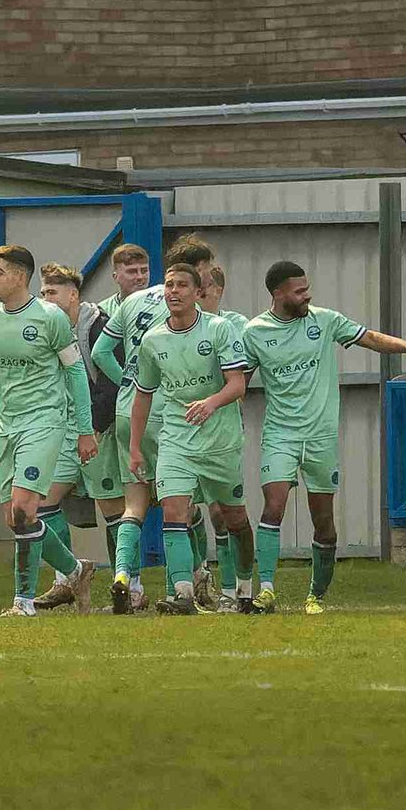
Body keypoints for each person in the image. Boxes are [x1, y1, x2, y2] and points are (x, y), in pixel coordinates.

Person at [241, 261, 406, 614]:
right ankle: (266, 590)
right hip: (280, 434)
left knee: (324, 524)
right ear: (278, 293)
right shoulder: (254, 332)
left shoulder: (325, 320)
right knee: (274, 506)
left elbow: (369, 337)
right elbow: (237, 380)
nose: (307, 295)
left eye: (307, 288)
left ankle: (315, 596)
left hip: (321, 437)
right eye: (299, 291)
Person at [0, 245, 98, 617]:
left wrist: (84, 430)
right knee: (16, 519)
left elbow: (76, 373)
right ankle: (75, 571)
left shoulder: (50, 317)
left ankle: (23, 601)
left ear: (20, 276)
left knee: (24, 508)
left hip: (45, 422)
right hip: (7, 425)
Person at [91, 234, 219, 615]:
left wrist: (129, 382)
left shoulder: (131, 301)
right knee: (180, 505)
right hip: (169, 412)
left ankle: (123, 578)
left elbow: (99, 352)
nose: (210, 278)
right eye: (207, 270)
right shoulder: (187, 307)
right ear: (196, 269)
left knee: (134, 505)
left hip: (129, 411)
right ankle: (189, 580)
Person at [127, 264, 252, 615]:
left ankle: (243, 589)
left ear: (198, 293)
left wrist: (211, 403)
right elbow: (143, 396)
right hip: (176, 438)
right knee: (173, 510)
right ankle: (183, 594)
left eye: (182, 285)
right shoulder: (152, 340)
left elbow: (238, 384)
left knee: (233, 517)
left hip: (220, 439)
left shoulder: (219, 329)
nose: (174, 291)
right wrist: (135, 447)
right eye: (169, 285)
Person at [33, 262, 122, 611]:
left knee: (114, 509)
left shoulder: (97, 326)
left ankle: (129, 585)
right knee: (42, 503)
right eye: (42, 292)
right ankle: (66, 578)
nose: (45, 299)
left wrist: (94, 428)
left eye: (52, 292)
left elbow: (110, 383)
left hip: (98, 430)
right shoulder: (43, 329)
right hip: (63, 430)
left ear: (73, 295)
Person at [198, 263, 257, 612]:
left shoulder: (235, 326)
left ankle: (238, 588)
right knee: (188, 510)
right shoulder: (174, 324)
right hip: (184, 429)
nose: (197, 292)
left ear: (218, 290)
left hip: (223, 428)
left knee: (226, 512)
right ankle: (197, 584)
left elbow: (242, 378)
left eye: (204, 287)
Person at [96, 242, 150, 318]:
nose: (140, 277)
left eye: (144, 271)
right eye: (132, 272)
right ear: (115, 277)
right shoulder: (103, 311)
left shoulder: (163, 304)